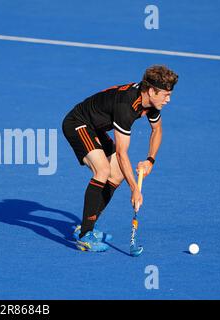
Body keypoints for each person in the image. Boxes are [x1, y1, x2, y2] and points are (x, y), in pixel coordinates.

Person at [62, 65, 178, 252]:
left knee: (116, 175)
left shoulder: (151, 103)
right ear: (151, 91)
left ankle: (85, 227)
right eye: (166, 94)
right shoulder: (126, 106)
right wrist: (134, 189)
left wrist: (150, 160)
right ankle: (85, 236)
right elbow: (122, 153)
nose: (169, 99)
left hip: (96, 128)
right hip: (78, 123)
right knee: (103, 170)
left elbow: (157, 130)